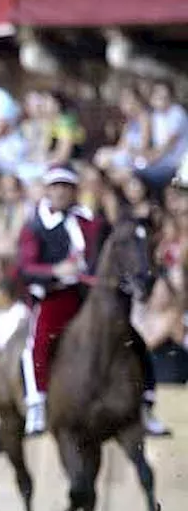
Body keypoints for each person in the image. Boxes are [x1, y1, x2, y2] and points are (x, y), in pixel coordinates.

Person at [17, 166, 170, 436]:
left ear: (74, 191)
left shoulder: (90, 221)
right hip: (56, 295)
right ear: (48, 190)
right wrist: (55, 271)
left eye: (66, 186)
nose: (61, 191)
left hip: (89, 295)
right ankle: (37, 402)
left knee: (133, 339)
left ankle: (145, 405)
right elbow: (26, 267)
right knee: (38, 343)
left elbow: (114, 244)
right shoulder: (35, 227)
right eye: (56, 186)